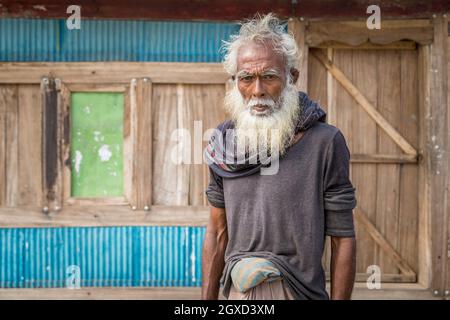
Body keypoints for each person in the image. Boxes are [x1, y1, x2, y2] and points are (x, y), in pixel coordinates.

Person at [201, 13, 357, 300]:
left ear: (291, 78)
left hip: (297, 292)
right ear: (235, 80)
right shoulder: (222, 143)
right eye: (246, 78)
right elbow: (216, 231)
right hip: (238, 292)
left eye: (269, 77)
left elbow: (343, 237)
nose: (257, 91)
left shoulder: (325, 142)